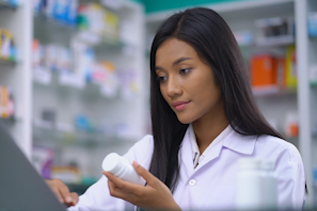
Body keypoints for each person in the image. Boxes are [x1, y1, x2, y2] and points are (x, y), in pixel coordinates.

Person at [47, 7, 306, 211]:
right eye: (162, 77)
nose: (170, 89)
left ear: (221, 67)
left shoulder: (276, 157)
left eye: (184, 71)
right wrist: (48, 196)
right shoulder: (148, 152)